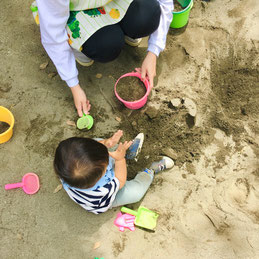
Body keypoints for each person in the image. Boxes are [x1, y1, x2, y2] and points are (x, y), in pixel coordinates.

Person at [35, 0, 174, 116]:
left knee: (148, 15)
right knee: (106, 45)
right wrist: (74, 85)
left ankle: (127, 30)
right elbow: (52, 34)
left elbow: (164, 2)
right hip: (75, 9)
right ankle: (80, 47)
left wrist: (153, 51)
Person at [54, 130, 174, 214]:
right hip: (109, 197)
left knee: (94, 144)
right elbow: (120, 181)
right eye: (105, 162)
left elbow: (89, 151)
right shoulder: (101, 191)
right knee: (136, 193)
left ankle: (119, 152)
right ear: (103, 172)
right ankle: (150, 171)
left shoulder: (65, 169)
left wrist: (106, 143)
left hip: (92, 171)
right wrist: (120, 159)